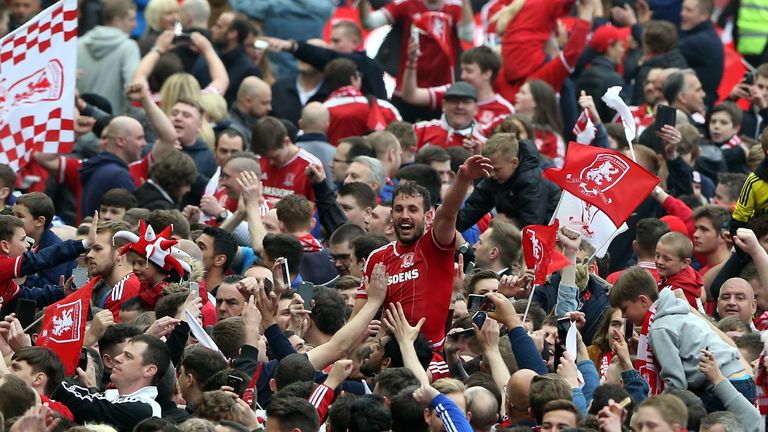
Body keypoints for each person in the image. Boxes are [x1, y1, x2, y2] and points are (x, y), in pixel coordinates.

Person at [355, 154, 493, 348]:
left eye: (412, 209)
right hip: (389, 356)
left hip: (432, 354)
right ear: (391, 215)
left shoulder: (436, 245)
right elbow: (357, 319)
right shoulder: (377, 258)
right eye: (398, 209)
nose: (404, 216)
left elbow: (448, 213)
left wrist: (463, 178)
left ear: (428, 216)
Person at [609, 267, 753, 410]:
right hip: (742, 380)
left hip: (724, 386)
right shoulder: (674, 309)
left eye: (624, 308)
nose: (623, 315)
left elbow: (677, 385)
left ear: (642, 301)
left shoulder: (659, 327)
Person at [53, 335, 170, 432]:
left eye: (128, 356)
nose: (117, 358)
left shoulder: (144, 409)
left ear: (149, 370)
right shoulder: (113, 395)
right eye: (121, 353)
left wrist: (45, 368)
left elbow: (84, 406)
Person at [457, 133, 558, 231]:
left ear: (514, 162)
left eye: (496, 169)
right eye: (488, 168)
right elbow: (469, 213)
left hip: (550, 231)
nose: (491, 174)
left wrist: (507, 224)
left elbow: (531, 227)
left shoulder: (530, 182)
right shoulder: (493, 180)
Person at [77, 0, 140, 115]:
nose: (135, 25)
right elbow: (132, 87)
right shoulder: (129, 47)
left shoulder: (78, 44)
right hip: (114, 124)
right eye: (131, 19)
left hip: (80, 121)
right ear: (117, 20)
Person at [322, 58, 401, 146]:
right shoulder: (385, 108)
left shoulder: (320, 111)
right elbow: (402, 139)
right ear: (353, 78)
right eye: (359, 75)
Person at [13, 192, 74, 288]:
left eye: (20, 216)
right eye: (13, 215)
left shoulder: (56, 249)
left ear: (39, 221)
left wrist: (22, 277)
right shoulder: (14, 242)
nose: (13, 220)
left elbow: (50, 286)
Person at [252, 117, 320, 202]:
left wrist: (284, 206)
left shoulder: (310, 165)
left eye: (275, 157)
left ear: (286, 141)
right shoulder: (257, 162)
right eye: (266, 158)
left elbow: (318, 208)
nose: (270, 162)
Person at [88, 220, 141, 320]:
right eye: (89, 249)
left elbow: (114, 334)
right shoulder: (100, 281)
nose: (89, 255)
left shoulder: (127, 287)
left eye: (97, 249)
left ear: (120, 253)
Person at [413, 81, 487, 150]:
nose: (459, 106)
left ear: (476, 108)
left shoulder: (482, 145)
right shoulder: (420, 130)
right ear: (443, 105)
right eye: (454, 101)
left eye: (466, 102)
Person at [678, 0, 723, 109]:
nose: (682, 13)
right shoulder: (707, 36)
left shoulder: (699, 41)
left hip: (698, 108)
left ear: (704, 15)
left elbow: (664, 53)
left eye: (689, 10)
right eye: (683, 8)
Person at [656, 231, 703, 311]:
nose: (659, 262)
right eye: (657, 256)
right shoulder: (683, 272)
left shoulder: (676, 292)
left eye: (666, 259)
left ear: (684, 263)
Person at [228, 76, 272, 147]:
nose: (270, 108)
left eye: (269, 103)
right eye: (264, 103)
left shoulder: (257, 125)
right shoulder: (233, 132)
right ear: (247, 101)